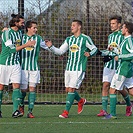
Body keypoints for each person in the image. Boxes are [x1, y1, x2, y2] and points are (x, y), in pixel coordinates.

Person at [45, 19, 98, 118]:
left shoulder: (85, 38)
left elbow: (94, 48)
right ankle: (80, 101)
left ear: (79, 27)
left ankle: (65, 112)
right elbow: (60, 51)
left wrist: (90, 53)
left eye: (73, 25)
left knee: (72, 89)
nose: (71, 27)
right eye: (71, 25)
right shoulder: (69, 39)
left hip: (79, 68)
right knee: (68, 89)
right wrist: (51, 47)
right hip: (69, 68)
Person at [0, 14, 35, 118]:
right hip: (5, 63)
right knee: (1, 87)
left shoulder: (20, 33)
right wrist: (26, 45)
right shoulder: (6, 33)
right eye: (22, 22)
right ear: (15, 23)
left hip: (15, 64)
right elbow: (11, 49)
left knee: (17, 86)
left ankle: (15, 111)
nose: (23, 24)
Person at [97, 15, 132, 117]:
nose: (111, 26)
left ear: (119, 24)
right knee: (106, 85)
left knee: (119, 88)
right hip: (110, 65)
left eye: (113, 23)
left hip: (121, 66)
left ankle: (127, 105)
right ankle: (104, 110)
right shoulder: (111, 36)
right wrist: (101, 53)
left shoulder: (124, 36)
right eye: (110, 24)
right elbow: (111, 50)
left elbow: (124, 52)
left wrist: (118, 56)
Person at [19, 20, 50, 118]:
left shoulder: (38, 38)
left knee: (32, 89)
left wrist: (54, 50)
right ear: (28, 28)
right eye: (34, 28)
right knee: (23, 90)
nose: (36, 29)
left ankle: (30, 111)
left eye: (36, 28)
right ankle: (21, 105)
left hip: (34, 68)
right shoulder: (22, 37)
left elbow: (46, 47)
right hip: (23, 68)